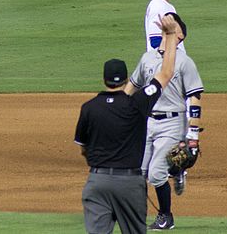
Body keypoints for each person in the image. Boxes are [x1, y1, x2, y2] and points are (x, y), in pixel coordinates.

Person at [74, 15, 181, 234]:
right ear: (126, 79)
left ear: (104, 79)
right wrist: (170, 36)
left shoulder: (89, 108)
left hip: (97, 181)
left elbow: (83, 148)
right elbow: (166, 73)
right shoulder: (138, 103)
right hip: (129, 184)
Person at [125, 12, 204, 230]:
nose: (168, 24)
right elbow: (132, 86)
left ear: (180, 36)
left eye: (174, 24)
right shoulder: (147, 58)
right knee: (138, 173)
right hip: (147, 123)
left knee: (156, 173)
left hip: (172, 122)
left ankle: (166, 217)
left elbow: (194, 96)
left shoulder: (185, 62)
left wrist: (193, 134)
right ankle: (137, 216)